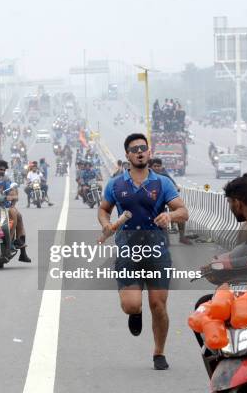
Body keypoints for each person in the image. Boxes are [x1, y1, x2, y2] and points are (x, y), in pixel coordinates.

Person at [98, 133, 189, 370]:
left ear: (149, 153)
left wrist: (170, 215)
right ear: (127, 155)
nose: (140, 152)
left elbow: (183, 211)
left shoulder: (162, 183)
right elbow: (104, 210)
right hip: (128, 250)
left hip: (157, 249)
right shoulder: (115, 184)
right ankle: (134, 313)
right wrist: (105, 223)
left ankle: (159, 353)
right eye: (134, 149)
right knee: (131, 305)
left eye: (143, 148)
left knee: (158, 305)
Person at [0, 160, 31, 263]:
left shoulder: (6, 180)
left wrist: (10, 197)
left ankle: (21, 250)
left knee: (16, 215)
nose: (0, 172)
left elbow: (15, 194)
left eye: (3, 170)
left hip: (5, 208)